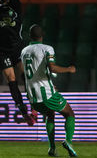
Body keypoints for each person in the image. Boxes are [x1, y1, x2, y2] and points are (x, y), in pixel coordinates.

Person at [21, 24, 77, 157]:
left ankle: (52, 148)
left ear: (30, 36)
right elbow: (52, 68)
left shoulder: (24, 51)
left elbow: (31, 72)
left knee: (50, 115)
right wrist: (69, 69)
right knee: (69, 114)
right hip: (46, 92)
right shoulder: (47, 48)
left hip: (32, 95)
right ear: (42, 35)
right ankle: (68, 142)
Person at [0, 0, 37, 125]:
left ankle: (34, 107)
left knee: (26, 78)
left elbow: (14, 0)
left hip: (17, 48)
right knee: (12, 80)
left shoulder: (16, 6)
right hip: (2, 50)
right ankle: (23, 112)